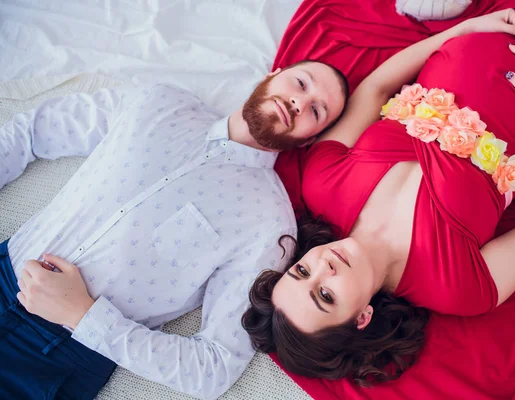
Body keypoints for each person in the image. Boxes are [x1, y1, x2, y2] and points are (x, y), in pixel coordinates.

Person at [242, 9, 515, 385]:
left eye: (302, 270)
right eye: (325, 294)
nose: (324, 266)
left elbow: (374, 90)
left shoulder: (321, 185)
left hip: (481, 31)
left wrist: (462, 30)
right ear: (361, 318)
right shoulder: (457, 289)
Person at [0, 60, 348, 399]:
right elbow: (32, 131)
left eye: (317, 110)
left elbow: (216, 367)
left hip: (58, 353)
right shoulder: (159, 102)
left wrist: (86, 317)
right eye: (301, 84)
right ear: (273, 75)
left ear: (307, 141)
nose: (299, 103)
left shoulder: (270, 224)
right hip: (6, 270)